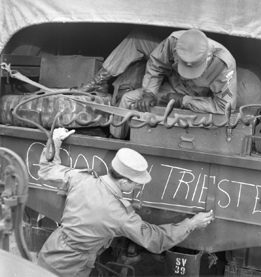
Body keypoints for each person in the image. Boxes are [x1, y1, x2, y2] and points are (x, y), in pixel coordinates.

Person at [37, 127, 214, 277]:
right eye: (136, 183)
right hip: (70, 268)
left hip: (50, 252)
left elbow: (47, 170)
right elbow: (155, 240)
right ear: (123, 182)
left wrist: (55, 140)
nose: (138, 186)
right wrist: (191, 223)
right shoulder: (120, 215)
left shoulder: (81, 179)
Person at [77, 28, 237, 139]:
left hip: (195, 95)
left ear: (208, 58)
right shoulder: (174, 40)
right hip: (175, 82)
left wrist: (184, 100)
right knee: (127, 99)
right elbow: (156, 64)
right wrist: (149, 92)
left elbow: (224, 107)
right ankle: (115, 139)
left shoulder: (224, 64)